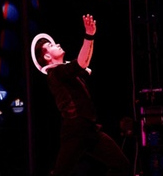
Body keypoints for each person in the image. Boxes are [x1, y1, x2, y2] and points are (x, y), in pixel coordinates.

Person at [32, 14, 131, 176]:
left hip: (90, 130)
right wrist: (89, 35)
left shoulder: (66, 72)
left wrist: (90, 37)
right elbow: (82, 63)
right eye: (51, 45)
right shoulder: (56, 73)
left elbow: (83, 63)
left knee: (122, 165)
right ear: (47, 56)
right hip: (75, 131)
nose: (57, 44)